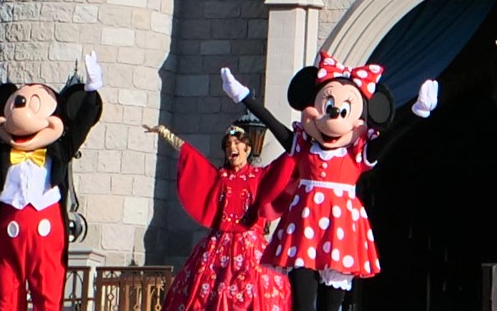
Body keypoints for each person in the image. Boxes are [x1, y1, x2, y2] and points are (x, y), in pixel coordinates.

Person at [225, 56, 439, 311]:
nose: (334, 117)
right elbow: (273, 124)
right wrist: (244, 96)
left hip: (340, 231)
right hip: (304, 230)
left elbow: (392, 137)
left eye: (344, 111)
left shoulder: (357, 152)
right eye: (327, 107)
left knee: (331, 304)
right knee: (302, 302)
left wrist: (418, 111)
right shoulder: (303, 145)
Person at [0, 54, 102, 311]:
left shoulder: (58, 153)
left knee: (47, 296)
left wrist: (91, 92)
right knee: (7, 296)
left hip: (47, 237)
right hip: (8, 237)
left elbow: (80, 129)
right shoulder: (3, 155)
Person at [153, 120, 290, 311]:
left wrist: (301, 142)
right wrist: (167, 135)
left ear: (248, 149)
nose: (231, 148)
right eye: (227, 145)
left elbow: (282, 168)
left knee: (257, 292)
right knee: (206, 290)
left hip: (250, 246)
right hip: (218, 245)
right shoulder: (220, 177)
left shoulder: (258, 176)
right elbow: (194, 161)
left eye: (236, 144)